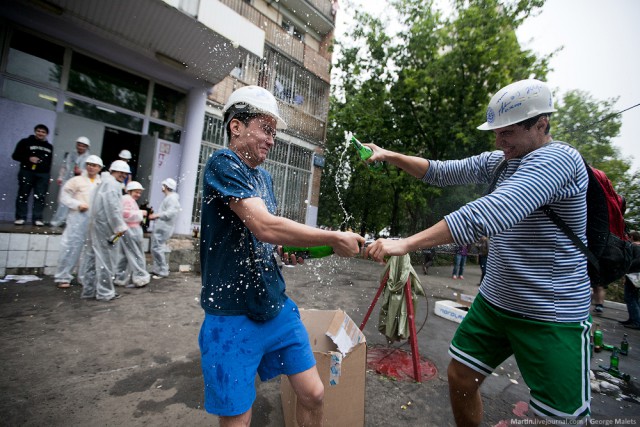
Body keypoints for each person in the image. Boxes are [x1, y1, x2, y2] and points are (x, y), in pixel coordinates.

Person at [364, 79, 591, 424]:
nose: (499, 142)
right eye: (496, 133)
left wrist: (406, 243)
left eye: (508, 133)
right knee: (459, 377)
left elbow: (487, 213)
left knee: (559, 418)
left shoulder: (558, 161)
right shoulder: (502, 160)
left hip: (550, 312)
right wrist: (390, 155)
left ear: (541, 124)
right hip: (496, 302)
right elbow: (440, 171)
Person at [199, 85, 363, 426]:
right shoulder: (223, 163)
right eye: (266, 129)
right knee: (238, 419)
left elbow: (267, 239)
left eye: (274, 132)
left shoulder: (265, 178)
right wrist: (333, 236)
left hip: (275, 307)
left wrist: (282, 252)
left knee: (314, 393)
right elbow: (263, 225)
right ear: (236, 127)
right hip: (231, 316)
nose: (272, 140)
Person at [80, 160, 131, 302]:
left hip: (95, 224)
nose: (123, 175)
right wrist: (120, 226)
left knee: (91, 258)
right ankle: (105, 292)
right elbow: (113, 207)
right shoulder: (112, 185)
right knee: (105, 260)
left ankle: (89, 290)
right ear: (113, 171)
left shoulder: (103, 182)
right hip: (104, 226)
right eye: (120, 172)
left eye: (125, 174)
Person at [53, 155, 103, 289]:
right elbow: (64, 196)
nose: (92, 167)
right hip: (77, 217)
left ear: (100, 168)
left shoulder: (101, 183)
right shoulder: (77, 180)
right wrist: (77, 204)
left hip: (93, 220)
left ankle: (84, 278)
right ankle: (63, 277)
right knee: (71, 246)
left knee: (89, 250)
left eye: (95, 165)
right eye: (90, 164)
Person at [11, 124, 53, 226]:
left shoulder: (49, 146)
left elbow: (49, 162)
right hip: (27, 172)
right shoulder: (25, 142)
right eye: (38, 131)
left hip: (43, 175)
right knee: (23, 194)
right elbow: (15, 156)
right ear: (35, 131)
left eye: (43, 132)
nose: (40, 133)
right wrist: (28, 158)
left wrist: (48, 176)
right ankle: (20, 217)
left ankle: (37, 218)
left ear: (46, 134)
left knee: (40, 196)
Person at [113, 181, 151, 288]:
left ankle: (120, 278)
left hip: (130, 229)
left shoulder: (129, 199)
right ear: (129, 191)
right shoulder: (126, 199)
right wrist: (140, 213)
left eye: (139, 193)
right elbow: (125, 214)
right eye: (136, 192)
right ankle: (140, 277)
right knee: (135, 254)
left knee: (125, 255)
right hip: (130, 230)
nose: (138, 195)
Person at [50, 136, 91, 227]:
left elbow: (91, 172)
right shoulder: (71, 155)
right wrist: (60, 177)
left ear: (87, 147)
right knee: (63, 201)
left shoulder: (89, 158)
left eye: (83, 146)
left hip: (80, 183)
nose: (80, 147)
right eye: (79, 145)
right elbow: (64, 166)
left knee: (76, 202)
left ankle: (69, 223)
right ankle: (58, 222)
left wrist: (81, 171)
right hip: (68, 181)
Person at [148, 178, 181, 278]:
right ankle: (157, 269)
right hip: (162, 226)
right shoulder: (169, 198)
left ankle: (162, 271)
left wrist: (157, 215)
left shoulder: (172, 199)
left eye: (163, 185)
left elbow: (171, 213)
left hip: (164, 227)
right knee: (156, 248)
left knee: (158, 248)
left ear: (166, 186)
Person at [620, 230, 640, 329]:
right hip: (636, 275)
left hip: (633, 275)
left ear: (631, 237)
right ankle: (633, 319)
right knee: (634, 297)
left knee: (630, 297)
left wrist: (627, 267)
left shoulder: (634, 246)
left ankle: (636, 321)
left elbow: (636, 260)